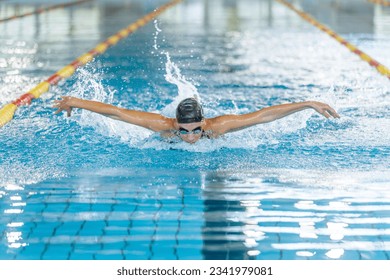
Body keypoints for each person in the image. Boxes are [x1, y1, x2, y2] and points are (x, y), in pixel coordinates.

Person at [53, 96, 340, 144]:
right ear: (175, 123)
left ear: (204, 123)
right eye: (184, 130)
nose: (190, 137)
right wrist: (77, 103)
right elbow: (117, 113)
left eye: (195, 130)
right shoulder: (163, 127)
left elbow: (262, 116)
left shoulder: (218, 127)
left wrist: (306, 104)